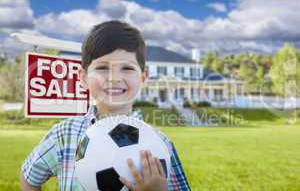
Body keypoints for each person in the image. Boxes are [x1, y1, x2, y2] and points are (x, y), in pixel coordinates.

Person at [20, 20, 191, 191]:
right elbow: (29, 176)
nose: (114, 78)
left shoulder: (159, 144)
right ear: (83, 78)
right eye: (102, 67)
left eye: (127, 68)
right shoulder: (64, 134)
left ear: (143, 77)